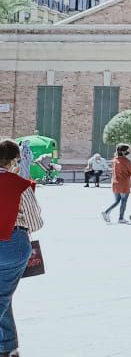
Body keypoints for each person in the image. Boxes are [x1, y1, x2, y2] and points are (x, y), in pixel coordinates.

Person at [0, 139, 44, 357]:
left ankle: (8, 346)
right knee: (3, 295)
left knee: (3, 296)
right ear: (13, 160)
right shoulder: (20, 184)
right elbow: (36, 223)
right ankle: (7, 346)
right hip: (12, 244)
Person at [102, 144, 131, 224]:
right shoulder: (126, 161)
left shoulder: (114, 160)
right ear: (123, 151)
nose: (128, 152)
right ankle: (121, 218)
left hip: (115, 183)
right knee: (123, 201)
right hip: (124, 184)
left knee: (117, 200)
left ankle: (106, 212)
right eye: (127, 150)